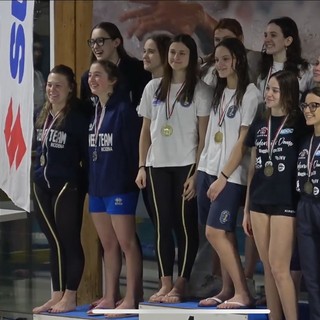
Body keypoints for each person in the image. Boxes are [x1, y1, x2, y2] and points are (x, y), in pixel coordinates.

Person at [135, 34, 212, 303]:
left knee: (186, 226)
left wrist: (196, 173)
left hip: (186, 165)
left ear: (191, 58)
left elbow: (203, 138)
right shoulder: (153, 87)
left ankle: (182, 282)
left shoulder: (201, 90)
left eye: (182, 53)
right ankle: (164, 282)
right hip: (157, 166)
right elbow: (145, 131)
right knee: (161, 226)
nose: (176, 58)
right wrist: (142, 165)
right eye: (172, 53)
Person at [189, 17, 261, 300]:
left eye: (225, 59)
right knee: (225, 234)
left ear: (239, 61)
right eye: (217, 59)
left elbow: (243, 142)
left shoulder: (251, 95)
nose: (218, 64)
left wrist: (222, 178)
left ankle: (243, 291)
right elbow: (210, 136)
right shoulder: (217, 91)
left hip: (231, 176)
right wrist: (200, 172)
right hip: (208, 168)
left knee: (215, 232)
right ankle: (227, 289)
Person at [243, 70, 306, 320]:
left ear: (288, 94)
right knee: (268, 269)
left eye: (275, 90)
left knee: (280, 268)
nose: (268, 94)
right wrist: (247, 207)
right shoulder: (260, 123)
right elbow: (253, 167)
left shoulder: (300, 124)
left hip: (285, 203)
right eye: (268, 88)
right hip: (259, 202)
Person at [32, 65, 89, 313]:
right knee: (52, 241)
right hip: (40, 184)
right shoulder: (41, 114)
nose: (52, 90)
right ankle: (56, 294)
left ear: (69, 89)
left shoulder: (77, 118)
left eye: (58, 86)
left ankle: (71, 295)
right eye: (49, 85)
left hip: (67, 184)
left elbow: (86, 155)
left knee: (68, 240)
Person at [87, 60, 142, 312]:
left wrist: (131, 180)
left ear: (113, 80)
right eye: (90, 75)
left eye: (98, 75)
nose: (92, 79)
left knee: (126, 244)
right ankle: (110, 296)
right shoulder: (96, 110)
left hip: (119, 187)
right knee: (107, 245)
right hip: (97, 187)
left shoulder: (124, 110)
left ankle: (131, 298)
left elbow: (133, 151)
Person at [80, 21, 151, 109]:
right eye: (92, 42)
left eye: (100, 41)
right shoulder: (87, 77)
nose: (95, 46)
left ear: (116, 42)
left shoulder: (138, 70)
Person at [296, 86, 320, 320]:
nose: (308, 110)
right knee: (310, 277)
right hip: (305, 207)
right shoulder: (304, 141)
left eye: (315, 106)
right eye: (306, 106)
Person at [257, 16, 313, 99]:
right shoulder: (263, 72)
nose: (267, 39)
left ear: (288, 41)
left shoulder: (306, 71)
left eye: (273, 35)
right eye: (266, 35)